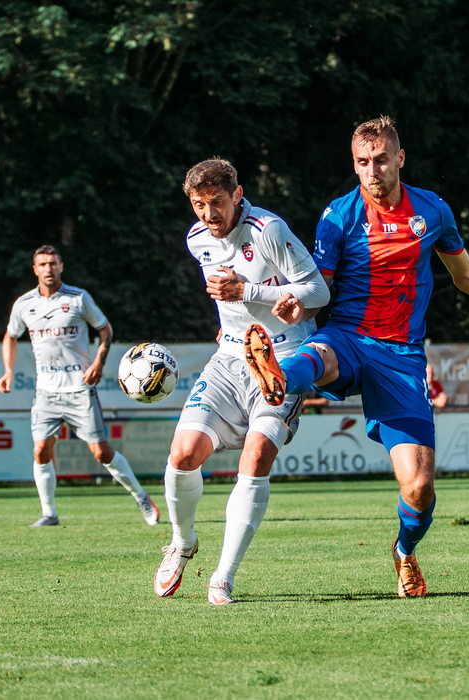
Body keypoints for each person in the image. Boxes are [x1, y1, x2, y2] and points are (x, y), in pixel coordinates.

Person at [243, 116, 469, 598]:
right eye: (362, 163)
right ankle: (281, 381)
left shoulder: (432, 211)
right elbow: (320, 287)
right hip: (348, 336)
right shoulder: (338, 216)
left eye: (381, 160)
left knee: (419, 489)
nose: (372, 171)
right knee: (318, 355)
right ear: (354, 165)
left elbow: (466, 275)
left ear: (400, 159)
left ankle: (404, 551)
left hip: (402, 357)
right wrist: (294, 303)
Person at [155, 159, 330, 605]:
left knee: (255, 456)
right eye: (199, 205)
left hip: (283, 358)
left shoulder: (267, 229)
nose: (208, 214)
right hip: (229, 357)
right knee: (183, 454)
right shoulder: (197, 240)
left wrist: (250, 294)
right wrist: (230, 319)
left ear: (237, 195)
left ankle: (224, 576)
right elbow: (226, 299)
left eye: (216, 202)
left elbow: (318, 292)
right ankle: (182, 540)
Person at [0, 246, 158, 528]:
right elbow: (10, 336)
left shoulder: (77, 298)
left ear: (61, 267)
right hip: (46, 392)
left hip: (79, 389)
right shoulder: (24, 304)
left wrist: (99, 360)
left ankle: (142, 496)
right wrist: (8, 371)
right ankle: (49, 513)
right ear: (34, 269)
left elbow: (105, 328)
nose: (48, 269)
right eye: (43, 264)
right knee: (40, 450)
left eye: (53, 263)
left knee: (101, 453)